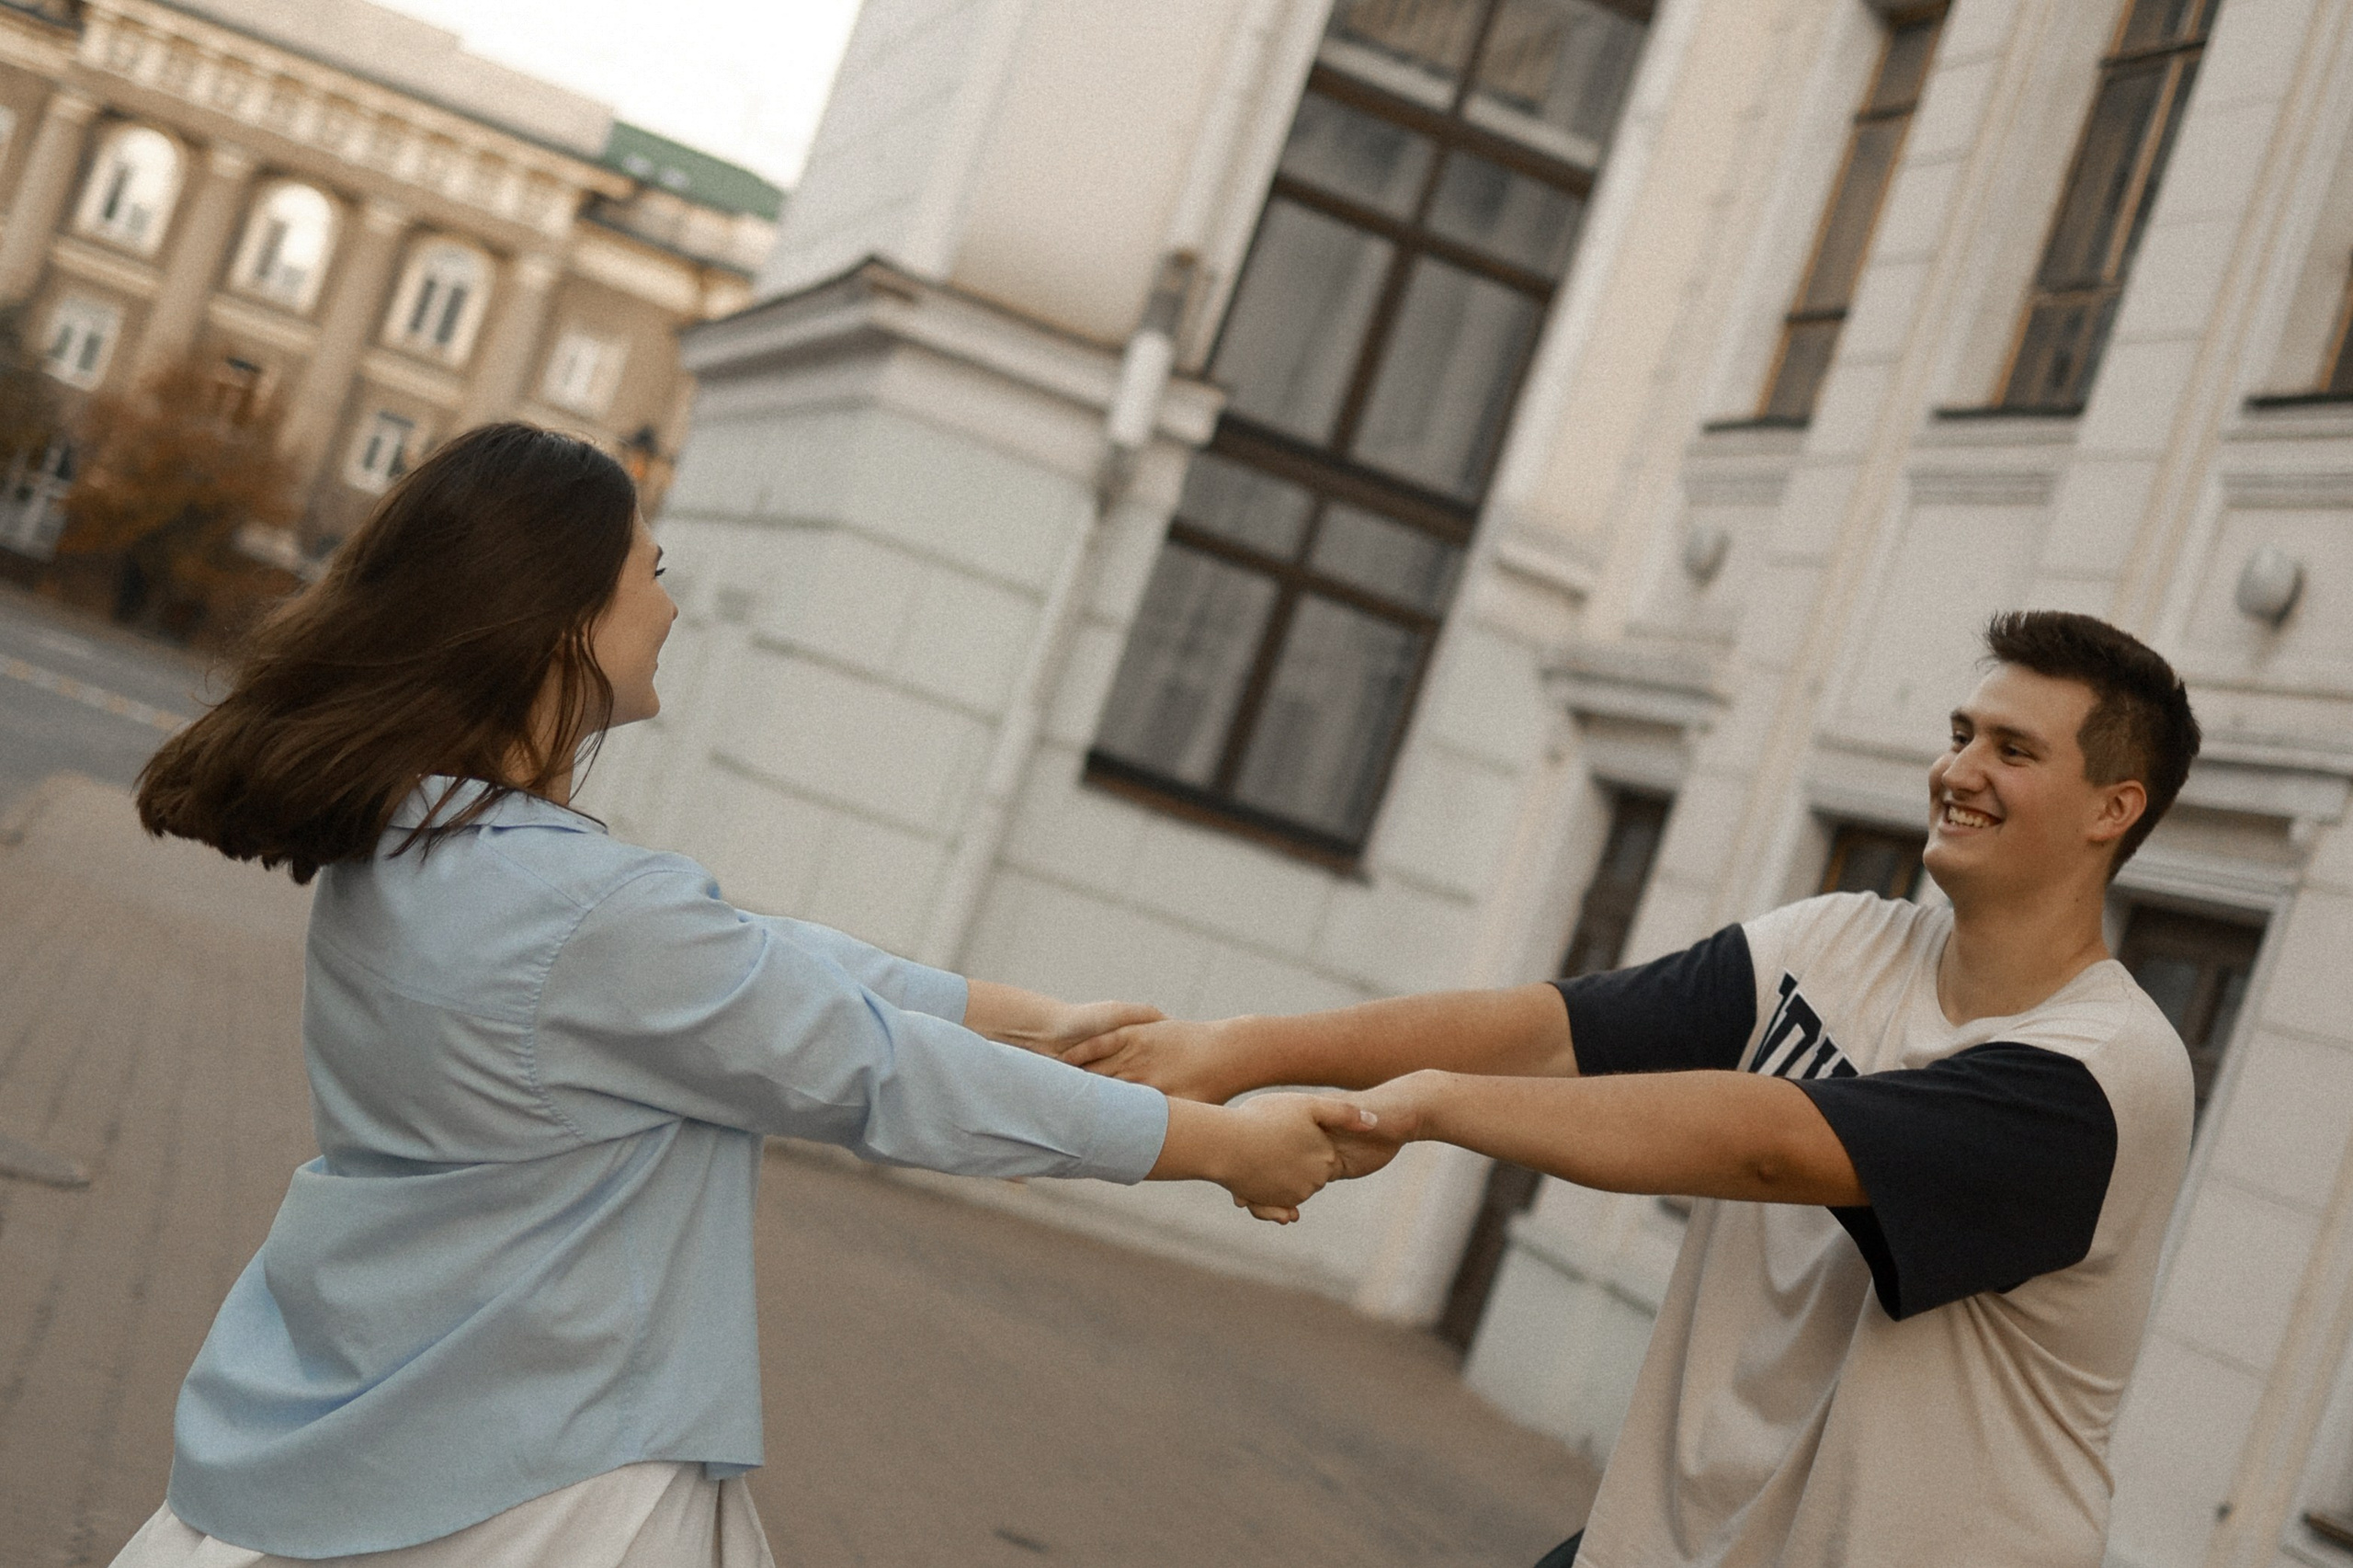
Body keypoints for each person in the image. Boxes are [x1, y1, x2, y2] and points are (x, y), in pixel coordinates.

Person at [112, 424, 1370, 1568]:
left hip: (373, 1415)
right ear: (563, 623)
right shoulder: (586, 911)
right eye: (651, 571)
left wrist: (1018, 1013)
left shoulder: (412, 847)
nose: (672, 604)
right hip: (544, 1475)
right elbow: (872, 1071)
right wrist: (1218, 1147)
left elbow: (749, 963)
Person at [1067, 610, 2202, 1568]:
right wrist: (1241, 1046)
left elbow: (1770, 1141)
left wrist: (1424, 1106)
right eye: (1960, 732)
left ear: (2113, 807)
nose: (1956, 771)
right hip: (1670, 1539)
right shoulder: (1838, 939)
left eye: (2012, 748)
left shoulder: (2102, 1073)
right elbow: (1559, 1029)